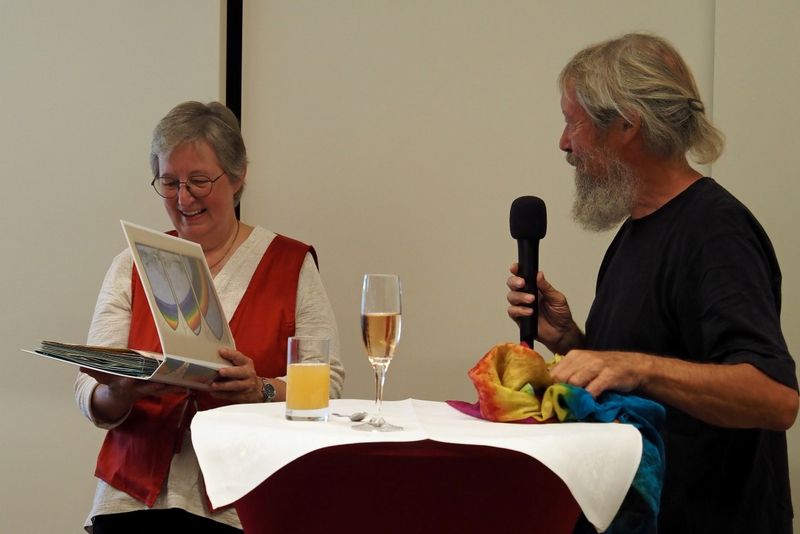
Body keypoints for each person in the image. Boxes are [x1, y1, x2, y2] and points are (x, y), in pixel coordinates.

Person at [506, 33, 798, 533]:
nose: (564, 143)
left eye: (573, 121)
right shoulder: (637, 230)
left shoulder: (716, 231)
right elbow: (641, 384)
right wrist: (573, 342)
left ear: (626, 123)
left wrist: (633, 365)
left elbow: (775, 397)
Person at [74, 101, 345, 532]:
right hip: (129, 504)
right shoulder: (131, 264)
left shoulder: (291, 265)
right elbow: (89, 389)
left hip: (241, 506)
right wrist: (121, 391)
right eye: (169, 183)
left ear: (238, 177)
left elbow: (326, 386)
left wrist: (261, 390)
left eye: (199, 181)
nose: (184, 198)